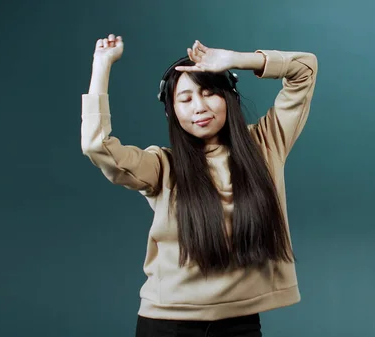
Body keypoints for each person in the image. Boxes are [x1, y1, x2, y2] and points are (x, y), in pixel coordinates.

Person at [81, 33, 318, 337]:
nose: (199, 107)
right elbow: (97, 147)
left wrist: (236, 59)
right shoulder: (162, 166)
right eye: (186, 99)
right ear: (172, 112)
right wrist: (101, 66)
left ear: (228, 97)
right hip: (167, 325)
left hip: (239, 323)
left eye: (208, 93)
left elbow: (305, 69)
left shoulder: (265, 145)